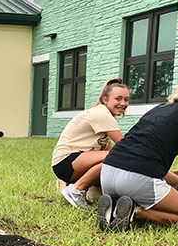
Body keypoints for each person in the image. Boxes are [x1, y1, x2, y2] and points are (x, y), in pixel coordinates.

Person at [98, 71, 178, 231]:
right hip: (136, 180)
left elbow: (145, 155)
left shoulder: (161, 107)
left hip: (107, 172)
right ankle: (133, 212)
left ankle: (117, 204)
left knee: (139, 188)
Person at [51, 78, 130, 209]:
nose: (123, 103)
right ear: (105, 100)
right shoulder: (102, 114)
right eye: (118, 98)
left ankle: (76, 186)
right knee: (118, 156)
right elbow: (124, 146)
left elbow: (106, 151)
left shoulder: (104, 114)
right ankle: (76, 190)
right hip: (65, 162)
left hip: (74, 162)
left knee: (113, 160)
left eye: (126, 99)